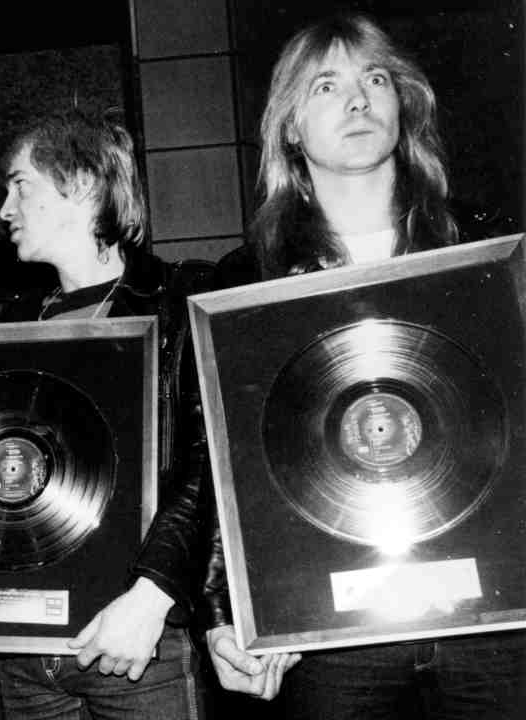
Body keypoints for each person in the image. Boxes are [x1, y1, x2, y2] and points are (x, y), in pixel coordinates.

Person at [204, 13, 524, 717]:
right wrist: (235, 612)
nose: (358, 99)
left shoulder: (489, 250)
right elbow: (218, 468)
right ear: (289, 126)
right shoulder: (248, 283)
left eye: (375, 78)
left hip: (497, 623)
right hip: (333, 637)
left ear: (402, 105)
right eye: (327, 84)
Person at [0, 110, 215, 719]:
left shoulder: (180, 302)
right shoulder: (0, 321)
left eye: (19, 184)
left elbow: (208, 467)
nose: (3, 209)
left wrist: (153, 596)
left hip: (135, 644)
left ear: (80, 182)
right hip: (21, 657)